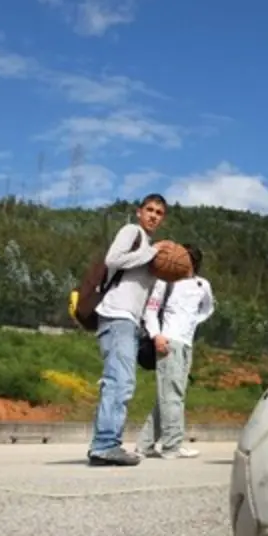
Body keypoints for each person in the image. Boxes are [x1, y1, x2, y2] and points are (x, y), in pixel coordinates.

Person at [87, 194, 169, 467]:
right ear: (139, 212)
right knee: (119, 381)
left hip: (128, 322)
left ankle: (105, 444)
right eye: (150, 210)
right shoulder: (132, 232)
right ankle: (105, 445)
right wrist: (153, 252)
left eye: (159, 212)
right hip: (116, 316)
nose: (154, 215)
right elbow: (113, 259)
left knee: (120, 381)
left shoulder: (148, 248)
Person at [136, 243, 214, 459]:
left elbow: (208, 308)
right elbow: (150, 311)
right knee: (173, 396)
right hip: (168, 341)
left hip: (187, 343)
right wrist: (156, 335)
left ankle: (144, 445)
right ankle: (172, 446)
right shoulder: (165, 281)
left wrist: (192, 323)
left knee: (170, 396)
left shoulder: (202, 285)